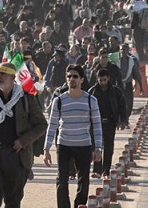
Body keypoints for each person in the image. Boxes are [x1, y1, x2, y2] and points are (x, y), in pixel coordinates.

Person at [0, 62, 47, 208]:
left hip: (16, 157)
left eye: (3, 74)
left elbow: (41, 125)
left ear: (12, 78)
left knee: (12, 201)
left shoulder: (26, 99)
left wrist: (23, 141)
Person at [43, 64, 103, 208]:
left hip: (84, 145)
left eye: (75, 76)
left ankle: (79, 205)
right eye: (69, 76)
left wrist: (98, 148)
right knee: (61, 180)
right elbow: (52, 125)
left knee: (84, 180)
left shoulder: (91, 101)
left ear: (81, 79)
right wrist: (46, 149)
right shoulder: (59, 101)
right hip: (64, 145)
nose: (71, 79)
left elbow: (97, 125)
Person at [87, 68, 127, 180]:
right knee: (96, 147)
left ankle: (106, 170)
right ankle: (97, 170)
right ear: (97, 79)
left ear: (108, 78)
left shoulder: (116, 92)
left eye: (104, 80)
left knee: (109, 148)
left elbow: (122, 106)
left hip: (110, 123)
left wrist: (123, 120)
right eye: (100, 80)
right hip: (96, 123)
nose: (103, 82)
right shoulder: (92, 92)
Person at [119, 44, 143, 119]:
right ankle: (120, 120)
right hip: (118, 85)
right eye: (121, 49)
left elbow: (136, 74)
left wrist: (140, 86)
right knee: (118, 103)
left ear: (128, 51)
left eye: (124, 49)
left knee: (129, 104)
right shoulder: (116, 61)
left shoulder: (132, 61)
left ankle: (126, 119)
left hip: (128, 85)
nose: (123, 51)